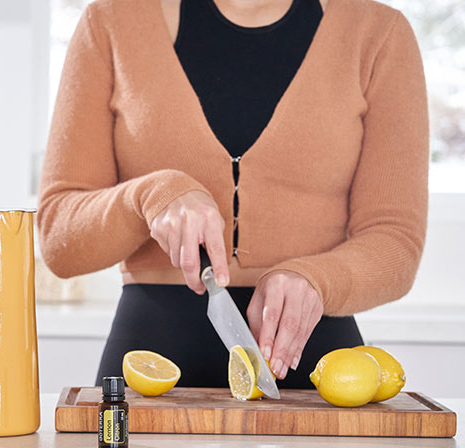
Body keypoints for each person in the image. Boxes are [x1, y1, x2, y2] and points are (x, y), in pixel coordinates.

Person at [37, 0, 428, 388]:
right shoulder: (111, 22)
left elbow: (395, 241)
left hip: (315, 372)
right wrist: (150, 196)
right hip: (151, 369)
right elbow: (59, 239)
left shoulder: (379, 34)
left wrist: (316, 279)